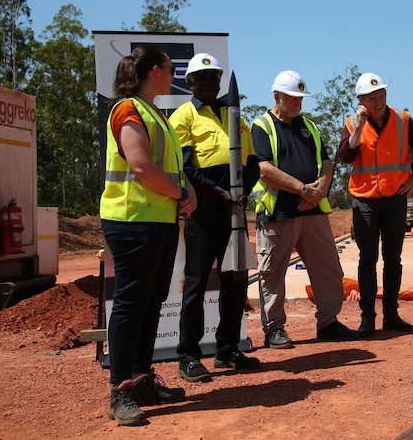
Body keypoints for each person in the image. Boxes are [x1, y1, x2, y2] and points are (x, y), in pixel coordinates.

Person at [100, 45, 197, 426]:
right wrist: (181, 194)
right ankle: (119, 391)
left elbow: (169, 167)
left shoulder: (156, 113)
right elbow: (140, 164)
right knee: (130, 303)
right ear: (155, 70)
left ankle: (141, 380)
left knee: (152, 301)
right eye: (170, 67)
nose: (173, 73)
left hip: (158, 220)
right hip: (131, 220)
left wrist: (185, 192)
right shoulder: (127, 109)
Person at [251, 70, 359, 348]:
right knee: (272, 272)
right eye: (293, 98)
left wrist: (319, 190)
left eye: (301, 98)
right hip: (279, 213)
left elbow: (326, 162)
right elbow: (263, 168)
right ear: (277, 97)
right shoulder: (261, 126)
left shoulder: (308, 126)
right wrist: (302, 189)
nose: (299, 103)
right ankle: (274, 328)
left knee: (327, 267)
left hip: (312, 211)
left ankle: (328, 321)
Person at [170, 53, 261, 383]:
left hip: (234, 210)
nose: (210, 83)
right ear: (190, 82)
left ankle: (227, 350)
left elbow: (250, 161)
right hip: (203, 210)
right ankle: (188, 356)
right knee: (195, 284)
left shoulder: (234, 114)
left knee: (235, 281)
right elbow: (184, 168)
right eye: (202, 78)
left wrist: (244, 190)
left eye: (214, 77)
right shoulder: (183, 117)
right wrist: (218, 193)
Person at [337, 72, 413, 337]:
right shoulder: (351, 123)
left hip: (394, 200)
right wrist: (357, 126)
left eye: (382, 96)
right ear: (361, 100)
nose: (379, 102)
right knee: (367, 259)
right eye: (372, 98)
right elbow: (345, 155)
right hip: (364, 201)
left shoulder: (402, 119)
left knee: (393, 258)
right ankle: (368, 318)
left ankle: (391, 314)